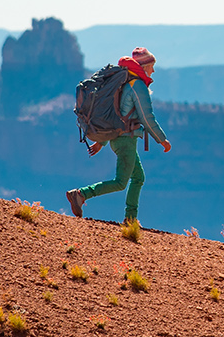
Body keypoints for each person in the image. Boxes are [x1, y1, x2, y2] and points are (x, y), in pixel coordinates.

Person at [66, 47, 172, 222]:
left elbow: (115, 114)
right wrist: (162, 140)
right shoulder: (137, 85)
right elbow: (147, 117)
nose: (153, 70)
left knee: (138, 178)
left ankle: (131, 219)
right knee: (121, 182)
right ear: (144, 66)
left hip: (119, 137)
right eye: (152, 66)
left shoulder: (124, 81)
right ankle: (81, 194)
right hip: (126, 140)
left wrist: (102, 142)